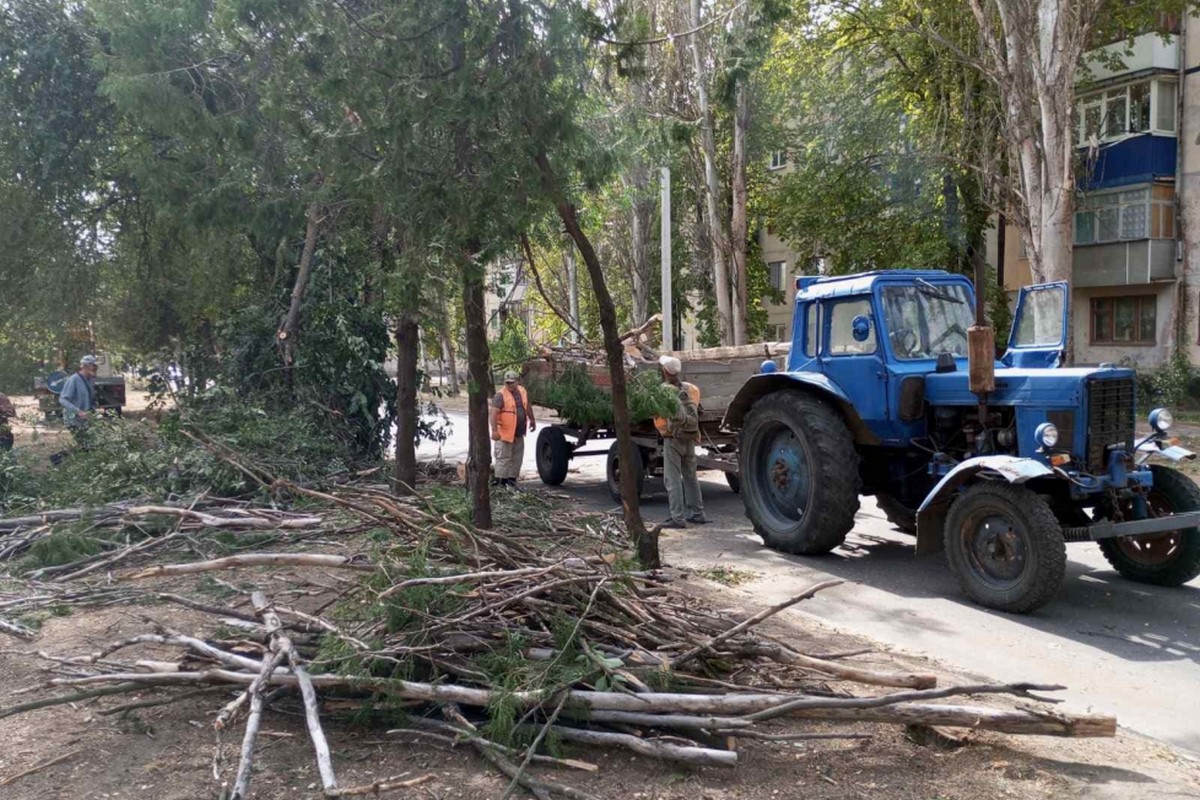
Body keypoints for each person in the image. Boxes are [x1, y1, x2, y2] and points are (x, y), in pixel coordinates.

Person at [655, 355, 706, 528]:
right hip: (690, 436)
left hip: (673, 439)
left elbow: (659, 417)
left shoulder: (662, 391)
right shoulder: (692, 389)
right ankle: (698, 513)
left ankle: (677, 518)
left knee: (673, 479)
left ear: (664, 371)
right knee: (691, 476)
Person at [489, 369, 536, 488]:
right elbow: (493, 414)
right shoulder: (500, 395)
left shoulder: (522, 391)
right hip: (504, 434)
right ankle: (500, 484)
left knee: (517, 459)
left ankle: (512, 482)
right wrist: (494, 431)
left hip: (518, 433)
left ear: (517, 381)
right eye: (507, 382)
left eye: (511, 382)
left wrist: (532, 419)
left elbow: (527, 406)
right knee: (503, 459)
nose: (509, 384)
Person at [59, 354, 99, 446]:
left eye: (96, 366)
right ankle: (59, 459)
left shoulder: (90, 380)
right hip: (73, 419)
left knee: (89, 445)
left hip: (85, 420)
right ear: (85, 366)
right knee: (86, 445)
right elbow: (63, 400)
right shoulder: (74, 380)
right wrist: (78, 411)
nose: (96, 368)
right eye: (93, 365)